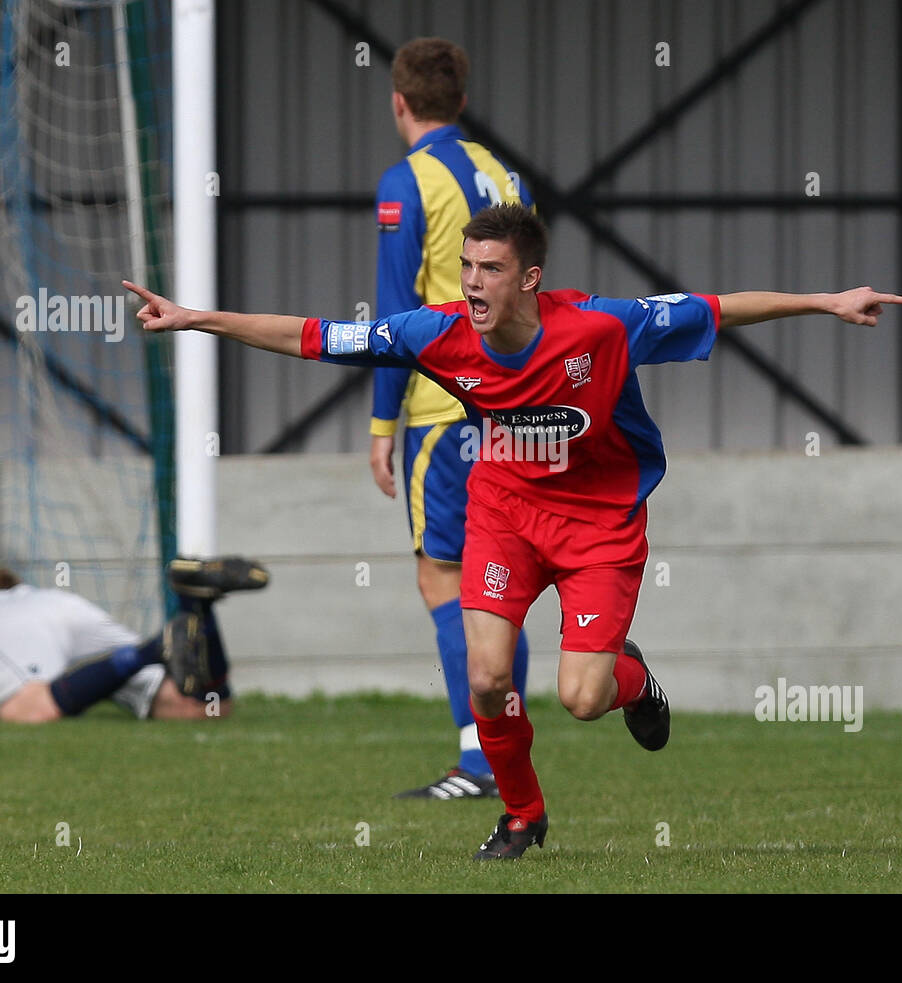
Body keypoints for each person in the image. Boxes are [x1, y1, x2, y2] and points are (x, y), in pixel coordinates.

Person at [124, 203, 902, 859]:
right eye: (466, 266)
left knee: (580, 696)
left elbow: (718, 307)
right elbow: (317, 335)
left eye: (490, 269)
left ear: (529, 277)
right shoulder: (435, 333)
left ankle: (635, 681)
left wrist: (825, 302)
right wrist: (197, 320)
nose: (472, 283)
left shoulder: (603, 327)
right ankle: (524, 815)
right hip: (503, 513)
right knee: (488, 680)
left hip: (601, 523)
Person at [368, 38, 535, 800]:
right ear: (462, 103)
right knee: (501, 579)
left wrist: (381, 423)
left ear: (399, 102)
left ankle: (478, 760)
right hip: (513, 405)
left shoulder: (406, 183)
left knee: (443, 575)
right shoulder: (507, 174)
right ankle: (506, 754)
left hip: (442, 407)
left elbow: (396, 314)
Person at [0, 556, 268, 722]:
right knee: (203, 707)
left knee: (29, 709)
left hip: (0, 624)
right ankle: (196, 609)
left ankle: (150, 649)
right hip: (68, 610)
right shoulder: (43, 598)